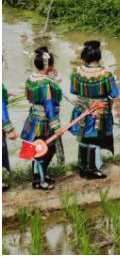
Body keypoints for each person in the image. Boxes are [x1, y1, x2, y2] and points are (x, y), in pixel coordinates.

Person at [70, 41, 119, 180]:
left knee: (84, 138)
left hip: (81, 110)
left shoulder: (76, 72)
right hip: (98, 113)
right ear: (99, 56)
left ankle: (83, 167)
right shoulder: (106, 74)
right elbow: (114, 93)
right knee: (94, 139)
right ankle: (92, 170)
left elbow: (73, 90)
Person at [21, 47, 62, 191]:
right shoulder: (47, 84)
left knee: (36, 149)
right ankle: (39, 181)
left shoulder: (31, 79)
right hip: (44, 123)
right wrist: (56, 127)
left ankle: (40, 175)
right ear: (49, 66)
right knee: (44, 151)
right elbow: (49, 106)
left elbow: (29, 98)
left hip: (33, 119)